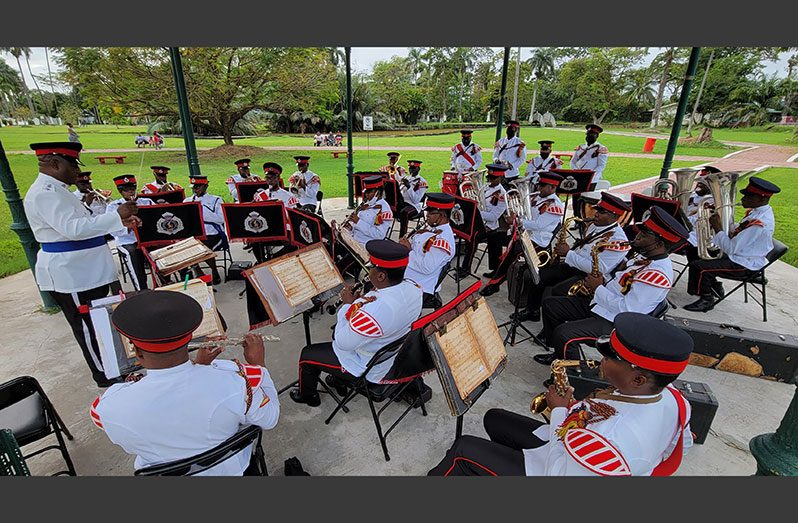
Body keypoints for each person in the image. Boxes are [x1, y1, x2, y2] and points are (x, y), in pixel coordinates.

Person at [428, 312, 694, 476]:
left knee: (463, 448)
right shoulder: (672, 397)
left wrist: (558, 411)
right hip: (573, 454)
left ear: (638, 378)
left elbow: (558, 474)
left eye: (611, 357)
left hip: (557, 470)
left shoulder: (611, 443)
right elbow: (680, 445)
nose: (601, 359)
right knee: (494, 419)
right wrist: (575, 409)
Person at [90, 290, 280, 475]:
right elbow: (270, 418)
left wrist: (199, 365)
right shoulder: (237, 382)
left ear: (138, 354)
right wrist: (259, 366)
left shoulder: (111, 405)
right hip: (234, 470)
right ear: (189, 340)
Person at [23, 142, 140, 387]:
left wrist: (120, 224)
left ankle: (113, 365)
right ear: (55, 163)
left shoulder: (59, 189)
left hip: (87, 270)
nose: (76, 169)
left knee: (99, 322)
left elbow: (85, 224)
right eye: (72, 163)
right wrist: (115, 215)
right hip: (71, 273)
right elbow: (72, 229)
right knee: (87, 328)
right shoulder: (45, 192)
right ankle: (105, 375)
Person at [537, 206, 689, 365]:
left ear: (659, 243)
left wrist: (598, 288)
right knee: (551, 305)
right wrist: (599, 286)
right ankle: (559, 354)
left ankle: (573, 373)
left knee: (564, 333)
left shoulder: (657, 275)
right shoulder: (644, 259)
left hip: (617, 323)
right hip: (604, 307)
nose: (637, 236)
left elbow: (628, 310)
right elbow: (620, 287)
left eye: (644, 234)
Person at [290, 239, 423, 407]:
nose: (368, 272)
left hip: (367, 364)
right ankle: (339, 381)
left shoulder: (375, 312)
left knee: (307, 354)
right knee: (337, 338)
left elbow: (343, 343)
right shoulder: (415, 288)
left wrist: (348, 305)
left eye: (371, 267)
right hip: (391, 351)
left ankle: (308, 397)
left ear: (381, 276)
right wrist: (362, 302)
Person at [511, 192, 631, 321]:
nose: (596, 214)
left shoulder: (617, 241)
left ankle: (553, 326)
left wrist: (568, 254)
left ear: (615, 216)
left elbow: (599, 269)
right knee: (539, 275)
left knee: (557, 292)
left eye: (602, 212)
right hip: (574, 265)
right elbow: (583, 250)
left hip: (589, 277)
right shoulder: (595, 226)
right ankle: (532, 311)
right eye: (597, 210)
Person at [683, 177, 780, 312]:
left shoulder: (759, 223)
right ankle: (714, 285)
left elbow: (731, 249)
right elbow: (738, 232)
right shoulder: (757, 212)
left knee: (699, 267)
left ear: (762, 199)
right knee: (693, 250)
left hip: (744, 263)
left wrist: (718, 228)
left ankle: (707, 298)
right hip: (741, 255)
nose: (743, 198)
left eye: (748, 196)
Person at [480, 171, 565, 297]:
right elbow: (525, 214)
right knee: (496, 238)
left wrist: (516, 220)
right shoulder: (536, 197)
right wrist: (516, 213)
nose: (539, 188)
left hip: (538, 240)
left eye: (543, 186)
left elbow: (538, 225)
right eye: (539, 184)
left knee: (512, 253)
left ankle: (495, 284)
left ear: (552, 188)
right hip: (525, 235)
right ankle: (497, 274)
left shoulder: (555, 206)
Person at [400, 193, 457, 309]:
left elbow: (426, 267)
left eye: (431, 213)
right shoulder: (433, 229)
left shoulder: (443, 240)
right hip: (409, 275)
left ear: (442, 215)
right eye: (427, 212)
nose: (427, 216)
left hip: (419, 284)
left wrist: (409, 250)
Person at [457, 164, 508, 278]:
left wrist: (476, 211)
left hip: (489, 226)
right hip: (477, 222)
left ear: (501, 178)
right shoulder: (485, 187)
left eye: (493, 178)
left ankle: (466, 268)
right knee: (462, 229)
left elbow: (494, 216)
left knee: (473, 236)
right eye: (489, 177)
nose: (490, 180)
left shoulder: (502, 195)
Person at [107, 175, 154, 292]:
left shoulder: (146, 201)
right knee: (133, 254)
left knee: (164, 250)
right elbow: (112, 231)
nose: (130, 192)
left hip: (148, 239)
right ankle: (142, 290)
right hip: (127, 241)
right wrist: (129, 228)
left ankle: (164, 284)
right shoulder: (114, 207)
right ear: (120, 191)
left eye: (132, 189)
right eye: (126, 190)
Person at [183, 175, 225, 285]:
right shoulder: (187, 201)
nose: (195, 189)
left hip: (212, 233)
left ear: (205, 186)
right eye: (193, 187)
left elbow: (221, 219)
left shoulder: (216, 200)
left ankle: (214, 270)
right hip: (193, 234)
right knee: (187, 246)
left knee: (203, 245)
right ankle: (199, 272)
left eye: (198, 186)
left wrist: (201, 213)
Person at [397, 159, 428, 237]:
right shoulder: (407, 178)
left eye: (414, 168)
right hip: (403, 203)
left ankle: (402, 237)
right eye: (410, 168)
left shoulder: (422, 182)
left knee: (405, 213)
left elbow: (416, 200)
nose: (411, 170)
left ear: (418, 169)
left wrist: (409, 187)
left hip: (413, 206)